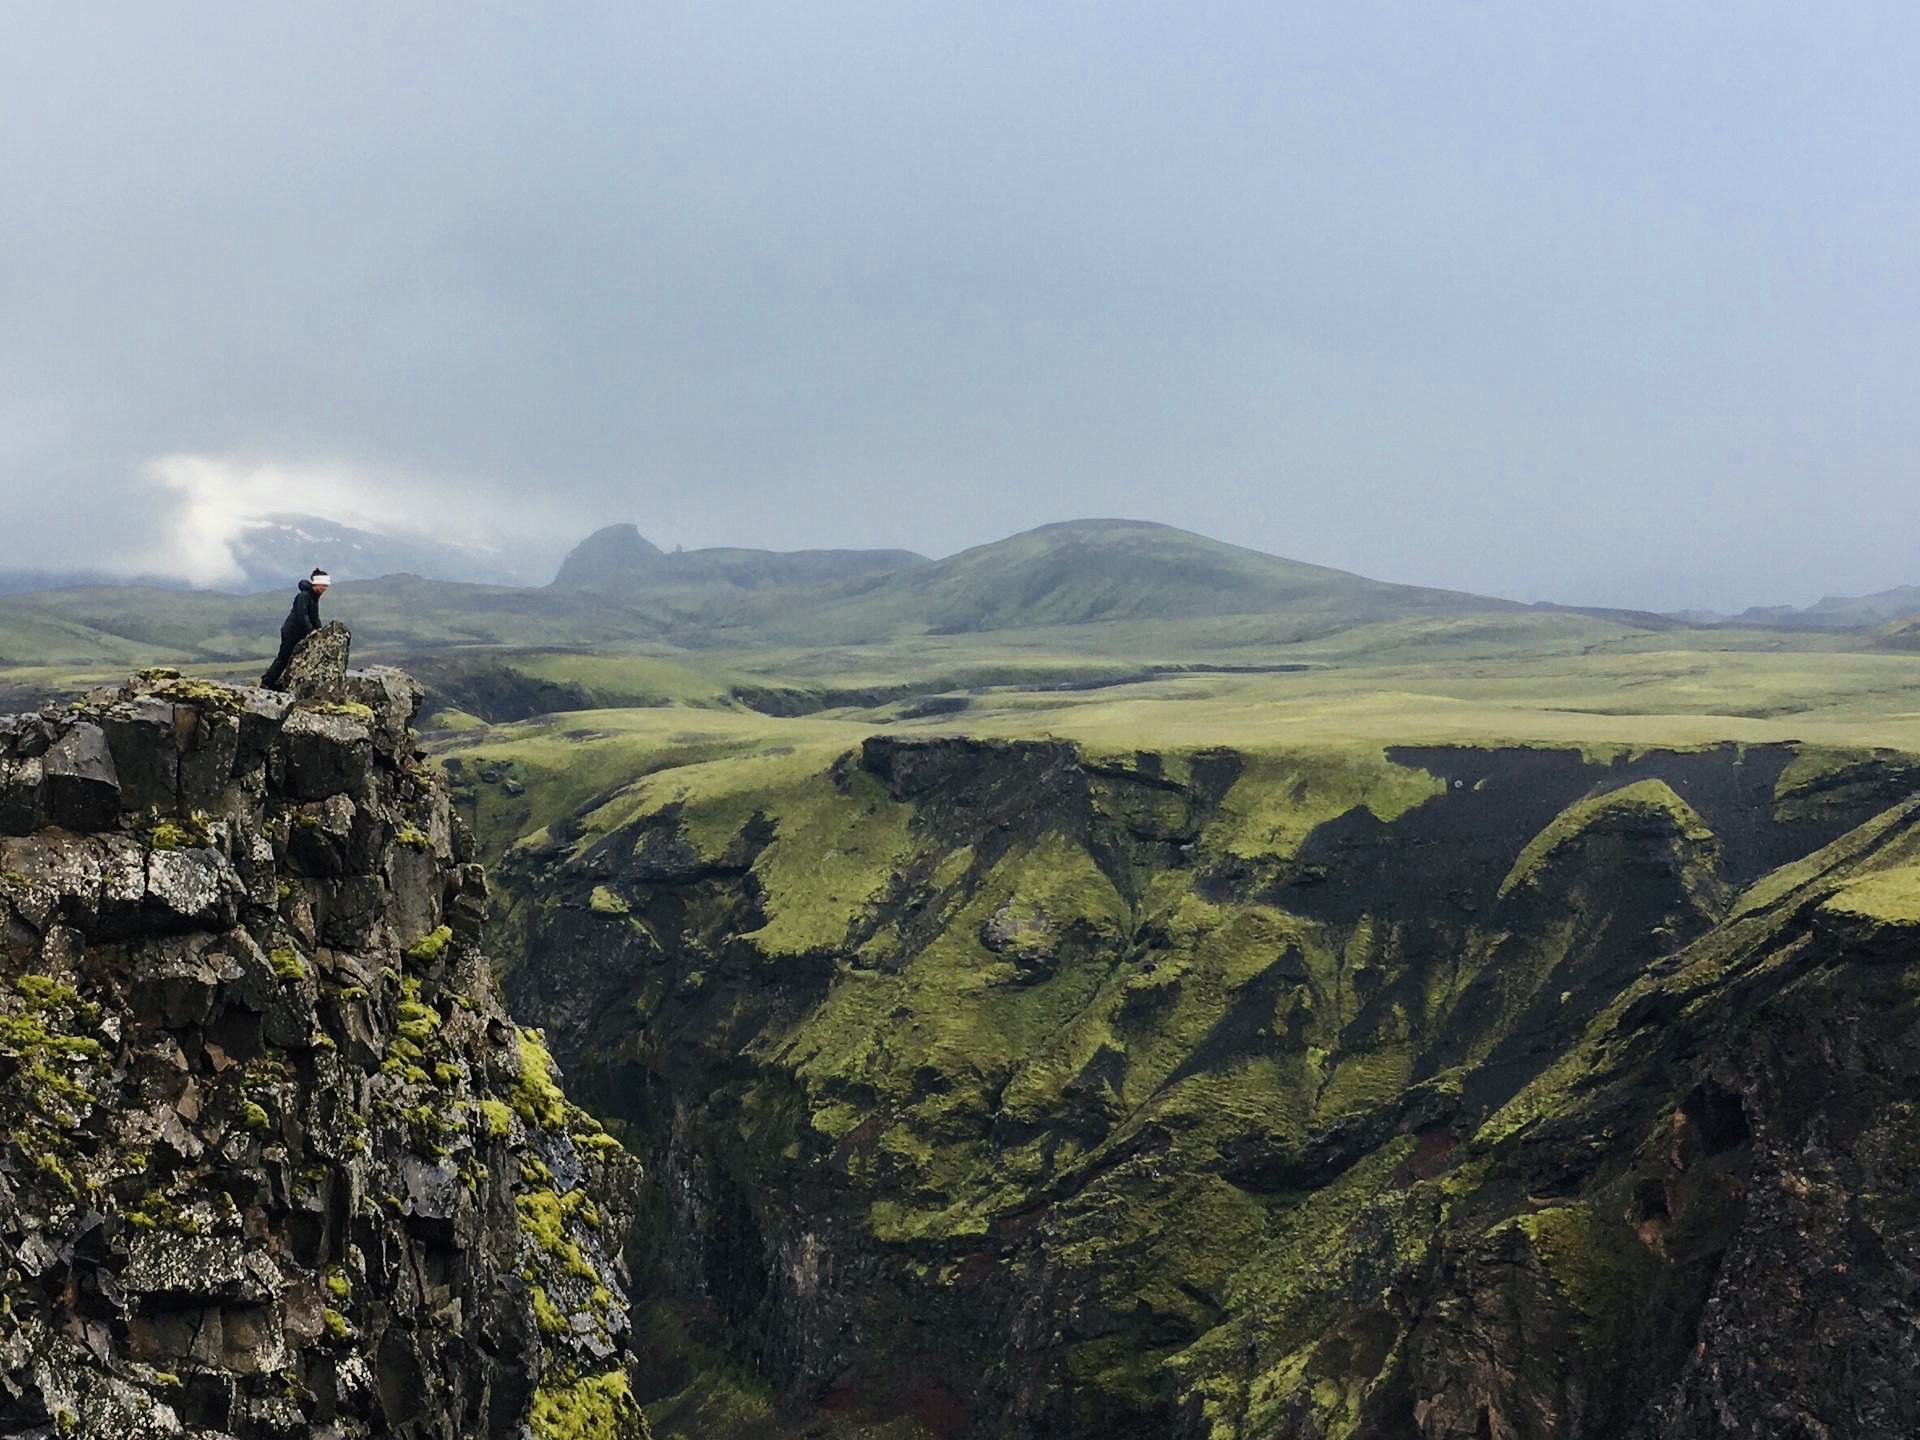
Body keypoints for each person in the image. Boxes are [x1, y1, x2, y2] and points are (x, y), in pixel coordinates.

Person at [260, 569, 331, 690]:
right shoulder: (303, 596)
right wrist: (310, 630)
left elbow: (314, 616)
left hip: (299, 632)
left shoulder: (314, 597)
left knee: (289, 658)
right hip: (291, 632)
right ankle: (268, 681)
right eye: (323, 585)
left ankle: (274, 681)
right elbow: (302, 614)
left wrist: (319, 629)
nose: (325, 589)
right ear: (316, 583)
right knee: (284, 657)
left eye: (326, 586)